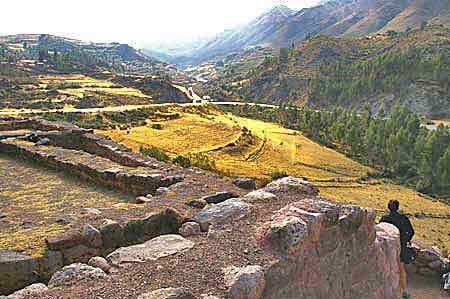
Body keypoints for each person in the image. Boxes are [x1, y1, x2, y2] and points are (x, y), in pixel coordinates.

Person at [380, 200, 415, 299]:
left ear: (388, 208)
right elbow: (411, 232)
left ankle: (386, 291)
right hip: (401, 246)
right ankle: (404, 291)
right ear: (398, 207)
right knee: (401, 269)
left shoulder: (385, 218)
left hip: (387, 247)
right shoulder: (403, 218)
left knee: (386, 268)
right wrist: (405, 240)